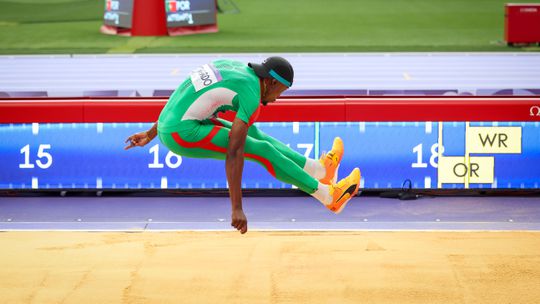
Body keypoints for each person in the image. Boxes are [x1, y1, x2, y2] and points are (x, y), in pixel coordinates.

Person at [125, 56, 361, 234]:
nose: (278, 98)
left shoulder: (234, 68)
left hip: (173, 122)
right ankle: (330, 198)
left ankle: (320, 170)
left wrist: (150, 132)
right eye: (280, 91)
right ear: (269, 82)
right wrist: (236, 208)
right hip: (182, 133)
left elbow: (182, 97)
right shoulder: (250, 94)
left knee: (255, 134)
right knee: (262, 150)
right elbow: (235, 152)